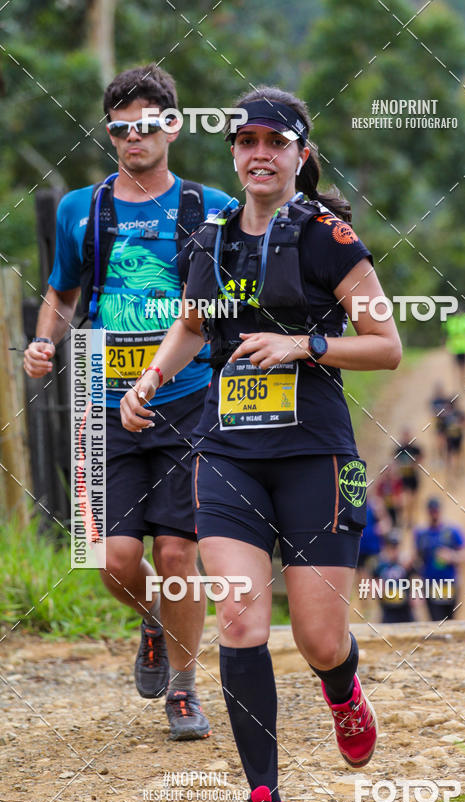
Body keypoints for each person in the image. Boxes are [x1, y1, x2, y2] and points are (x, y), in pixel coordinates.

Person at [120, 85, 402, 802]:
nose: (259, 154)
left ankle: (342, 688)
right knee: (241, 617)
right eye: (246, 142)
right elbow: (189, 324)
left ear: (300, 156)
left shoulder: (328, 239)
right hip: (230, 453)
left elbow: (386, 346)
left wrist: (303, 345)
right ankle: (265, 800)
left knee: (316, 636)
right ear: (234, 155)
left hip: (315, 453)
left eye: (275, 143)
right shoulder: (209, 240)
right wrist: (147, 382)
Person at [23, 65, 231, 740]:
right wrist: (43, 343)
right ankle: (153, 619)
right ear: (109, 133)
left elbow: (245, 288)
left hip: (190, 398)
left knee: (177, 554)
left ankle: (184, 689)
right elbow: (61, 290)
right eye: (120, 128)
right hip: (106, 401)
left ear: (172, 125)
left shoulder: (211, 207)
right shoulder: (81, 208)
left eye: (147, 124)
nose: (133, 137)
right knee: (115, 560)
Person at [413, 497, 465, 621]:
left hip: (449, 583)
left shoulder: (452, 531)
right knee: (435, 620)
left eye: (436, 511)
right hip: (430, 584)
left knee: (450, 619)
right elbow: (417, 560)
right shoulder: (421, 534)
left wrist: (452, 556)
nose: (434, 514)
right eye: (431, 511)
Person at [372, 532, 415, 623]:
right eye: (391, 547)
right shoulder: (380, 565)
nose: (394, 550)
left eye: (396, 547)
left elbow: (415, 578)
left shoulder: (405, 564)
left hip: (405, 609)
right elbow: (374, 582)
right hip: (388, 609)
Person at [443, 304, 465, 392]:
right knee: (459, 367)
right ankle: (460, 385)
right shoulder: (451, 321)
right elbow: (447, 333)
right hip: (456, 347)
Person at [393, 428, 423, 529]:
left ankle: (411, 519)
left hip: (413, 477)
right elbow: (395, 461)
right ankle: (404, 519)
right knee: (404, 500)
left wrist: (412, 465)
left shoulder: (415, 448)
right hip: (403, 478)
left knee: (413, 501)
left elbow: (420, 459)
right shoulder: (399, 449)